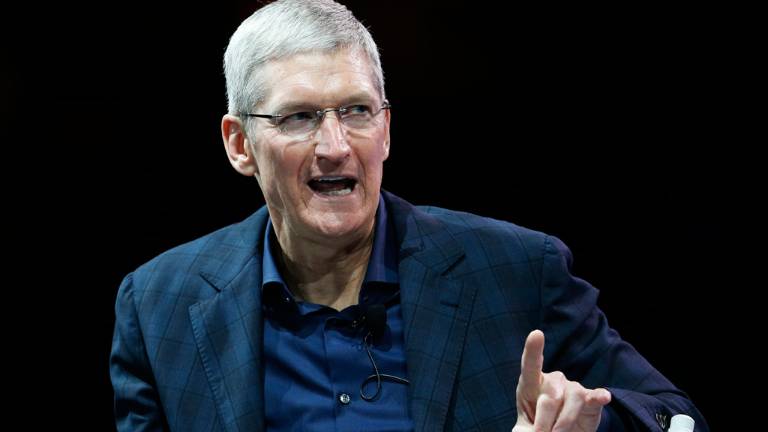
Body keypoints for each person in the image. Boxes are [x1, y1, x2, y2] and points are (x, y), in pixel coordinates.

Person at [109, 1, 708, 431]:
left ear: (387, 129)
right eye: (299, 117)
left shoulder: (517, 271)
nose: (335, 146)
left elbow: (678, 418)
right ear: (239, 144)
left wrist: (596, 423)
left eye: (356, 110)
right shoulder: (158, 305)